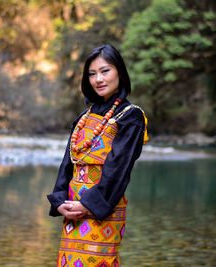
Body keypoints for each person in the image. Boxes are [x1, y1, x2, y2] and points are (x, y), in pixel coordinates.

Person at [47, 44, 148, 267]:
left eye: (105, 71)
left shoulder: (131, 117)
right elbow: (68, 164)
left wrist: (88, 205)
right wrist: (60, 201)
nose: (98, 79)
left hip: (103, 209)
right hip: (73, 209)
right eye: (92, 74)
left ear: (120, 72)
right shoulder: (85, 116)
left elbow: (118, 172)